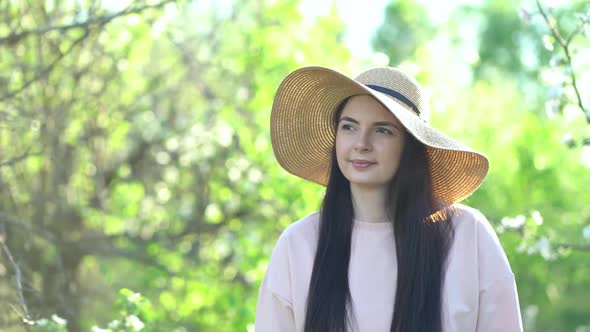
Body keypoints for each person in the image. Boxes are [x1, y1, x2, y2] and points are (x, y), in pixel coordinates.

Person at [255, 66, 523, 332]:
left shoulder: (467, 236)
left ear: (412, 145)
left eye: (382, 130)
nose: (361, 143)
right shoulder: (299, 245)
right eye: (349, 127)